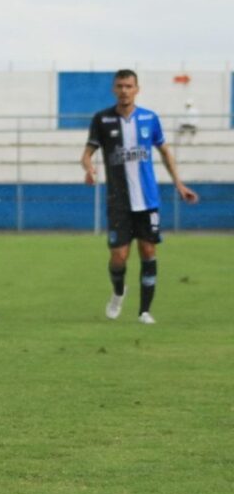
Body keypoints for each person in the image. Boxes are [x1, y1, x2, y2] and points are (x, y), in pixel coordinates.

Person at [81, 69, 199, 324]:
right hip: (118, 201)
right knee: (119, 256)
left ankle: (144, 311)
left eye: (129, 86)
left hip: (148, 200)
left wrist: (179, 183)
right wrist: (89, 168)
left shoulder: (149, 118)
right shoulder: (102, 119)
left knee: (148, 251)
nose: (124, 90)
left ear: (137, 89)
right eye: (120, 86)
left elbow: (165, 152)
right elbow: (87, 153)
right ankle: (118, 291)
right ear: (114, 89)